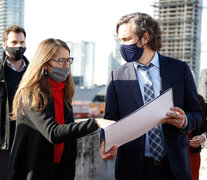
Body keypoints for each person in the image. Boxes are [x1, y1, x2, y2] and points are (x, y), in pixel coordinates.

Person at [99, 12, 202, 180]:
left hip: (174, 169)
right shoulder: (117, 76)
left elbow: (197, 115)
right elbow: (110, 120)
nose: (122, 46)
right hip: (133, 170)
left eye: (127, 39)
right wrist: (104, 143)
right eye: (120, 41)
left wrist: (184, 121)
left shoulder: (179, 69)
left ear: (145, 37)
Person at [6, 38, 114, 180]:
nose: (66, 65)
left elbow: (69, 132)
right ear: (45, 64)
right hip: (33, 170)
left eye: (68, 60)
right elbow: (53, 133)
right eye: (61, 61)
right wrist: (96, 123)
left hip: (61, 170)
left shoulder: (63, 92)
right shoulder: (31, 93)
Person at [0, 25, 29, 180]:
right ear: (4, 45)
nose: (19, 46)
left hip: (27, 142)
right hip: (3, 145)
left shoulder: (33, 73)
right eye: (14, 42)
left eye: (22, 42)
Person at [188, 94, 207, 180]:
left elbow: (205, 124)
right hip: (173, 153)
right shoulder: (171, 98)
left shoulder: (198, 99)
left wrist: (203, 136)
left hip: (193, 152)